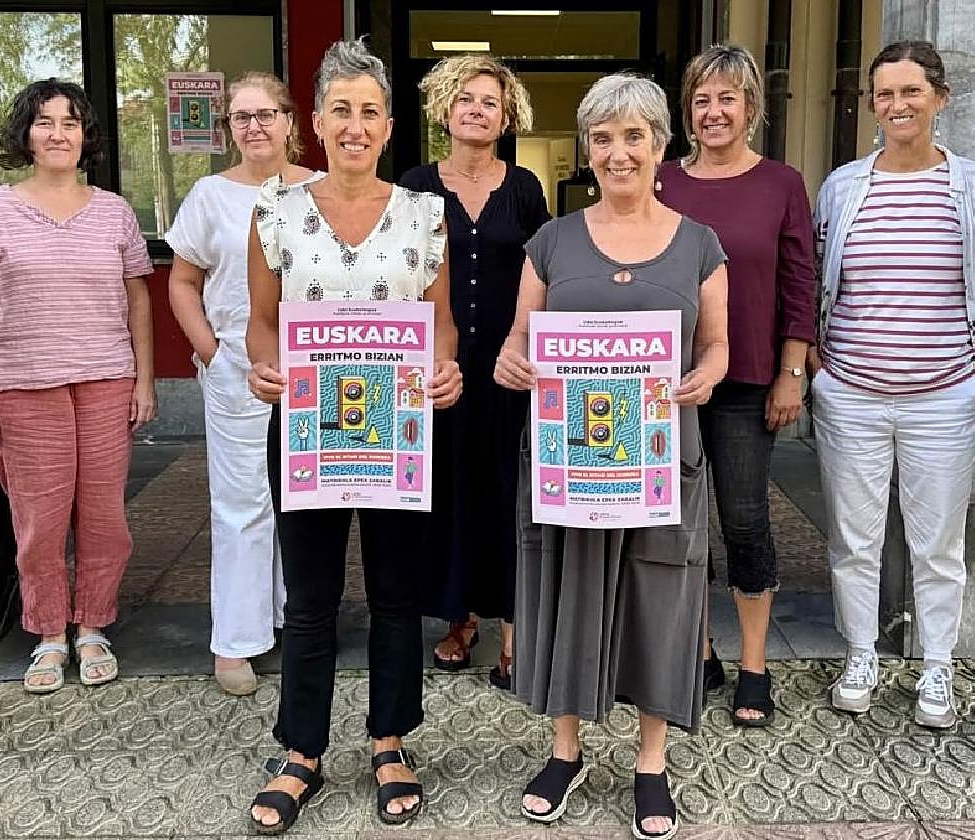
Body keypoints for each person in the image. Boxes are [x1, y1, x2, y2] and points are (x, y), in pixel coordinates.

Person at [494, 74, 728, 840]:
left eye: (635, 136)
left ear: (662, 145)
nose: (618, 152)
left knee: (661, 602)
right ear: (588, 150)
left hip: (662, 460)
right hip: (573, 463)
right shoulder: (552, 241)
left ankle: (650, 761)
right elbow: (519, 340)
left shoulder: (700, 244)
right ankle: (565, 751)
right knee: (568, 590)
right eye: (603, 137)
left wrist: (710, 372)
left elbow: (718, 344)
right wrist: (509, 359)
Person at [244, 40, 461, 833]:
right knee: (310, 600)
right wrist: (261, 370)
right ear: (316, 121)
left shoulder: (424, 213)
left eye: (370, 111)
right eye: (342, 109)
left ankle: (390, 739)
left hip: (397, 434)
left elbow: (440, 324)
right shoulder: (274, 212)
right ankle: (302, 751)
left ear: (390, 125)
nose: (356, 125)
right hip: (307, 430)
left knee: (396, 598)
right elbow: (263, 326)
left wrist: (447, 371)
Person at [812, 41, 975, 728]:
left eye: (911, 92)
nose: (898, 105)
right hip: (852, 394)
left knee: (938, 545)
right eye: (886, 93)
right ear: (872, 103)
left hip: (943, 398)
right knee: (854, 540)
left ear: (940, 98)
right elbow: (814, 281)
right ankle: (861, 654)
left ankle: (937, 667)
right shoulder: (842, 186)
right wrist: (819, 367)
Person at [0, 79, 155, 694]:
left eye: (70, 122)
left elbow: (138, 303)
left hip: (104, 381)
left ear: (86, 136)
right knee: (39, 520)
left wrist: (145, 380)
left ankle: (92, 625)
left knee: (102, 518)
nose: (58, 133)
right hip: (22, 387)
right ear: (26, 134)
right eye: (45, 122)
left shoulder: (116, 211)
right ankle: (47, 631)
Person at [655, 43, 816, 727]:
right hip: (667, 382)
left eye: (727, 98)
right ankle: (697, 652)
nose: (713, 111)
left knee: (745, 521)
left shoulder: (781, 182)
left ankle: (754, 664)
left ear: (751, 107)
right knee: (675, 525)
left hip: (751, 380)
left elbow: (801, 282)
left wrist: (792, 371)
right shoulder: (662, 181)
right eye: (701, 99)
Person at [167, 71, 319, 697]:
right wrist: (209, 349)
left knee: (304, 503)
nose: (254, 127)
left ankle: (292, 619)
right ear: (229, 128)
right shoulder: (209, 195)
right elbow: (181, 281)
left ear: (290, 121)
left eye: (265, 114)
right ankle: (235, 640)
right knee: (241, 505)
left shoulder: (324, 190)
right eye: (241, 117)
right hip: (236, 369)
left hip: (318, 369)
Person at [400, 54, 549, 688]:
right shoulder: (412, 184)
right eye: (465, 99)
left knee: (508, 490)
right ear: (443, 109)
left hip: (510, 368)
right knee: (446, 489)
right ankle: (457, 617)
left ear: (506, 114)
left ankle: (514, 621)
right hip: (438, 368)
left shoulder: (524, 188)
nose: (477, 110)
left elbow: (545, 275)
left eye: (490, 101)